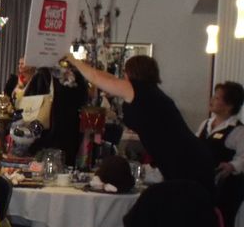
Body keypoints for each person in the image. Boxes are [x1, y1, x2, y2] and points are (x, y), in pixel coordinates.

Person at [63, 53, 215, 190]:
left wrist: (73, 60)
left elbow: (96, 78)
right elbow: (108, 78)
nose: (123, 75)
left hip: (185, 159)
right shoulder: (149, 90)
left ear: (131, 72)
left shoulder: (138, 89)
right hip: (185, 156)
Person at [198, 80, 244, 227]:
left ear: (229, 105)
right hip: (206, 184)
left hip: (228, 188)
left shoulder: (238, 131)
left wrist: (232, 166)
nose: (212, 100)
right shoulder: (206, 124)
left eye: (217, 98)